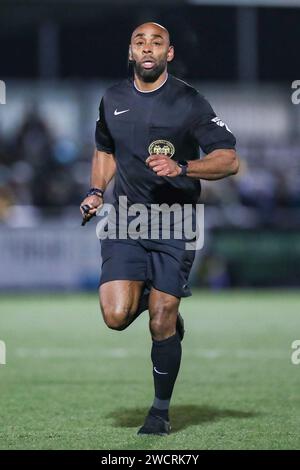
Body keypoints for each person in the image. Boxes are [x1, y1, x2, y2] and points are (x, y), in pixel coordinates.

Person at [80, 22, 239, 435]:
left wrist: (183, 167)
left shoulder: (190, 101)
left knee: (160, 320)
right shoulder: (111, 98)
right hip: (125, 221)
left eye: (157, 43)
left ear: (168, 54)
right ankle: (159, 301)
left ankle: (160, 412)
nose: (148, 48)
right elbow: (105, 149)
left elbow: (228, 159)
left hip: (176, 222)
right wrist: (97, 191)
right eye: (140, 42)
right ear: (130, 52)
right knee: (116, 317)